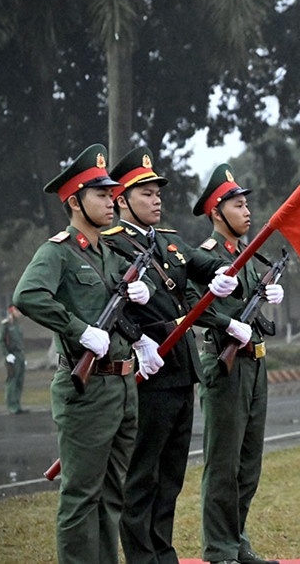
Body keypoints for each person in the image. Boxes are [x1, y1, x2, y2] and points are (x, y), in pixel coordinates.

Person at [12, 143, 164, 564]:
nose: (111, 200)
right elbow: (28, 296)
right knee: (81, 494)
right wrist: (79, 332)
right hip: (87, 389)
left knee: (112, 492)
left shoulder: (107, 254)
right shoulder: (57, 251)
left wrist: (140, 337)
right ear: (75, 201)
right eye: (101, 194)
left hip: (121, 385)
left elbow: (115, 313)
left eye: (112, 193)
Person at [103, 147, 240, 564]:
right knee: (142, 473)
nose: (156, 198)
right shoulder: (111, 245)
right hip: (148, 369)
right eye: (145, 192)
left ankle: (163, 551)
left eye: (158, 190)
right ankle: (142, 556)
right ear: (121, 200)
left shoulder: (169, 241)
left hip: (181, 368)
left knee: (171, 475)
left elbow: (206, 264)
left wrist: (221, 277)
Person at [191, 163, 284, 564]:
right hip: (226, 365)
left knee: (249, 463)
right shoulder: (204, 257)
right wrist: (229, 323)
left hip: (255, 364)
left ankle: (237, 538)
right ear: (217, 212)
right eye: (238, 205)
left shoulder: (247, 258)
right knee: (223, 463)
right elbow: (192, 307)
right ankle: (219, 547)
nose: (247, 212)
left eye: (247, 205)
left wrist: (268, 296)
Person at [0, 304, 27, 414]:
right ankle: (11, 406)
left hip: (19, 355)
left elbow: (20, 341)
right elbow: (0, 341)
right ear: (11, 311)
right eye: (17, 311)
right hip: (11, 356)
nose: (19, 313)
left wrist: (23, 356)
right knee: (12, 381)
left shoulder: (17, 325)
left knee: (19, 381)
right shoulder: (6, 325)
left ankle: (17, 405)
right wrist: (6, 354)